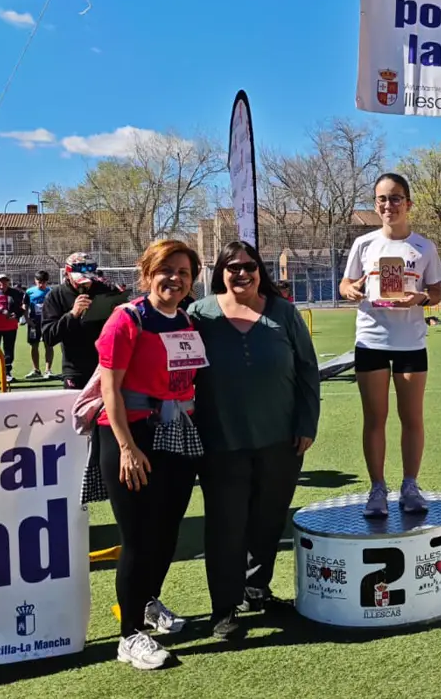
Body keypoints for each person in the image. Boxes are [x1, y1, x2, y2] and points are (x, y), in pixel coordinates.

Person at [84, 239, 203, 670]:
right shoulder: (126, 319)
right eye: (166, 270)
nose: (175, 279)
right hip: (129, 437)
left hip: (175, 435)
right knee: (137, 538)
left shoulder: (186, 319)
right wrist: (126, 447)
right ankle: (129, 634)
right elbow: (110, 389)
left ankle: (149, 604)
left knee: (167, 532)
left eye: (184, 273)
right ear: (147, 272)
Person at [192, 241, 320, 639]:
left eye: (249, 266)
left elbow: (307, 370)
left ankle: (256, 589)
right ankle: (224, 609)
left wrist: (307, 422)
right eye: (232, 268)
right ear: (220, 273)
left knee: (268, 520)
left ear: (260, 269)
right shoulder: (199, 314)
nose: (241, 273)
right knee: (226, 526)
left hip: (280, 438)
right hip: (221, 441)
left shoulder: (283, 312)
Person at [341, 173, 441, 516]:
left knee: (411, 417)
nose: (389, 205)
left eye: (396, 198)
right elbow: (346, 284)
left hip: (410, 344)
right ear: (376, 204)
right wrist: (351, 290)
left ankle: (410, 485)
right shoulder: (364, 244)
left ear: (408, 203)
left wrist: (420, 299)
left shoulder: (424, 247)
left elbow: (436, 292)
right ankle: (377, 489)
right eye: (382, 199)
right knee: (375, 418)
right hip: (371, 339)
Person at [43, 253, 131, 389]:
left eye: (89, 280)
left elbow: (125, 323)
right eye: (81, 281)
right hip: (76, 370)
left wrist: (120, 304)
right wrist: (72, 314)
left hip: (108, 364)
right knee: (77, 409)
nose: (86, 284)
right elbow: (49, 337)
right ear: (67, 274)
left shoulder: (106, 290)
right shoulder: (55, 296)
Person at [22, 270, 54, 379]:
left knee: (48, 345)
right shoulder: (29, 292)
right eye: (39, 282)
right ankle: (36, 370)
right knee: (34, 345)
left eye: (44, 282)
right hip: (34, 323)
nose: (41, 284)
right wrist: (27, 319)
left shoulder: (51, 292)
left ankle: (48, 370)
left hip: (47, 323)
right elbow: (25, 307)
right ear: (35, 281)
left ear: (47, 282)